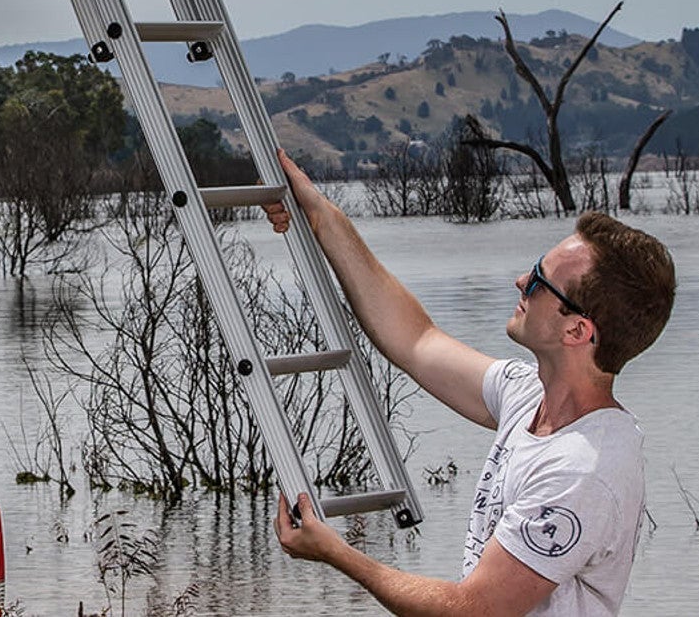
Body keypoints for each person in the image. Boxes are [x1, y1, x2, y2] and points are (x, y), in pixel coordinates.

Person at [266, 150, 675, 616]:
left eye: (540, 280)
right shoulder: (527, 397)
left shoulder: (583, 471)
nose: (521, 280)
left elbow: (472, 610)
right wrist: (320, 214)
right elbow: (415, 339)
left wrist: (335, 553)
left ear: (577, 331)